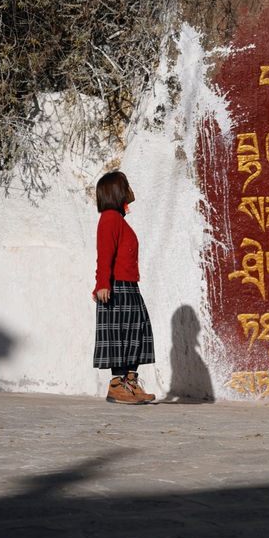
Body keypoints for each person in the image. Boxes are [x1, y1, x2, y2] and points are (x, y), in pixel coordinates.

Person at [92, 170, 156, 404]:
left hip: (129, 286)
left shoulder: (118, 219)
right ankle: (118, 385)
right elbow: (104, 255)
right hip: (117, 287)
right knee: (120, 335)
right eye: (126, 185)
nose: (130, 189)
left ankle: (130, 383)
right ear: (117, 191)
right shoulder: (110, 218)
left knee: (136, 333)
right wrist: (101, 284)